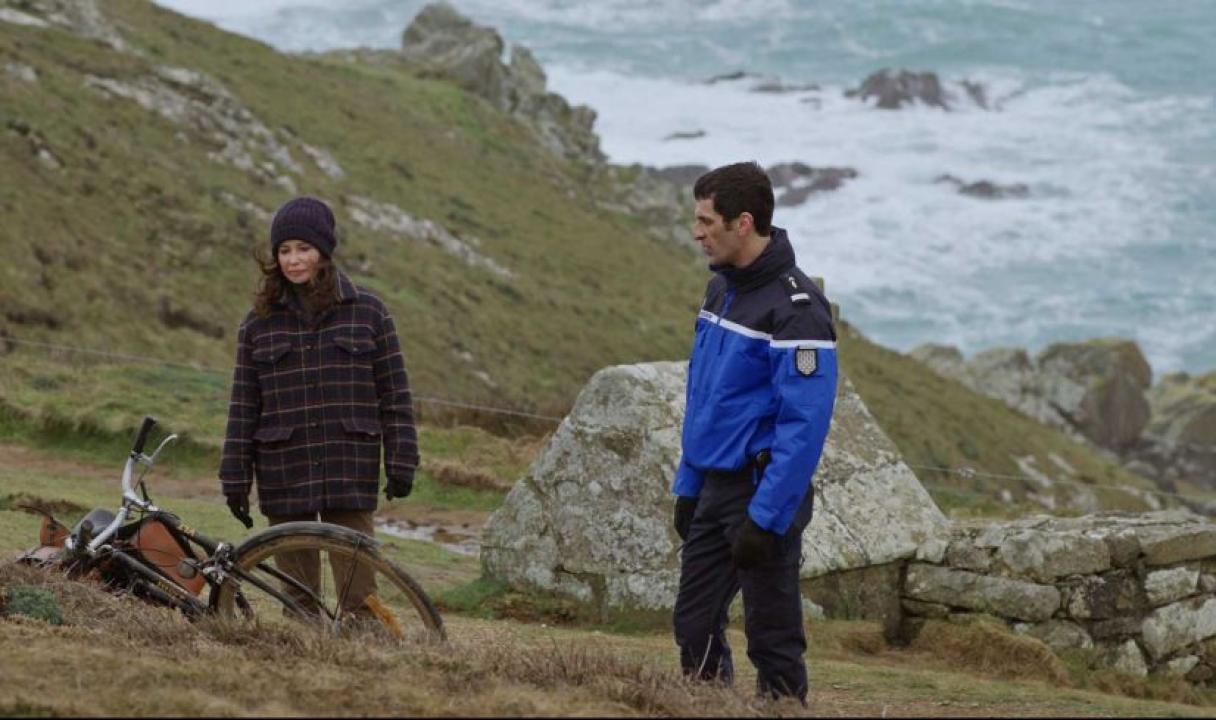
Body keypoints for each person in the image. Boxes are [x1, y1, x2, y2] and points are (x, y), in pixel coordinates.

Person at [671, 162, 837, 703]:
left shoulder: (799, 312)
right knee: (692, 627)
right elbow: (704, 398)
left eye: (706, 221)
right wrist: (688, 485)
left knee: (773, 641)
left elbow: (803, 428)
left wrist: (766, 520)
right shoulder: (719, 291)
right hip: (714, 489)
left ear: (743, 223)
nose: (697, 232)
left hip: (764, 495)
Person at [218, 195, 419, 615]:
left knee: (360, 594)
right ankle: (305, 667)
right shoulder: (258, 323)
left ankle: (366, 660)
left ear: (324, 251)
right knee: (297, 598)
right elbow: (243, 407)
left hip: (350, 465)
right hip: (283, 471)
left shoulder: (369, 312)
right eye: (284, 250)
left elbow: (395, 395)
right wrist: (234, 477)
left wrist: (403, 460)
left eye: (303, 249)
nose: (293, 260)